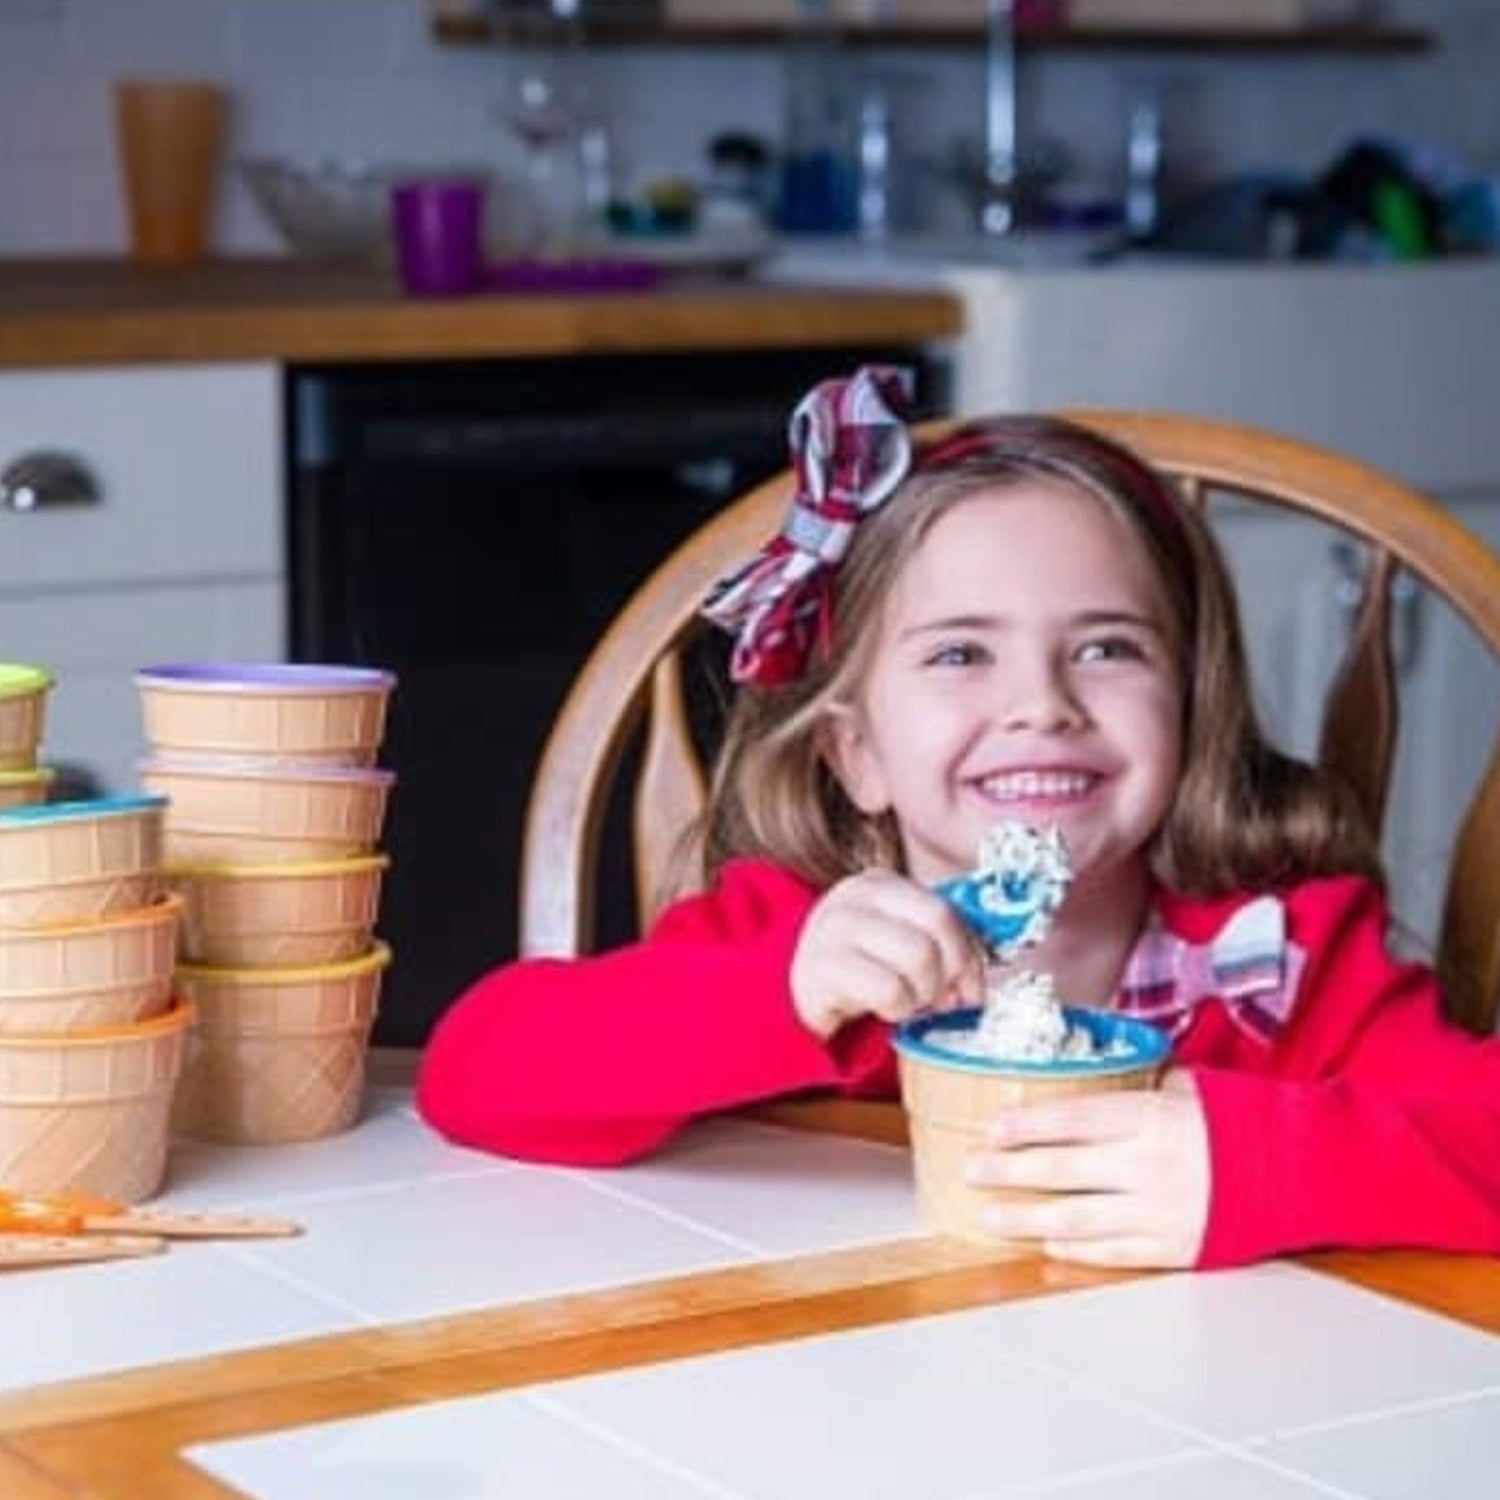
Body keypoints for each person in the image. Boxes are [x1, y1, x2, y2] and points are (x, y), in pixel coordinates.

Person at [417, 365, 1500, 1271]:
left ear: (1192, 707)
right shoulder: (798, 940)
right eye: (960, 654)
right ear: (859, 752)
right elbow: (474, 1072)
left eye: (1108, 648)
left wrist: (1266, 1167)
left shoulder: (1286, 967)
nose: (1041, 703)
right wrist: (779, 995)